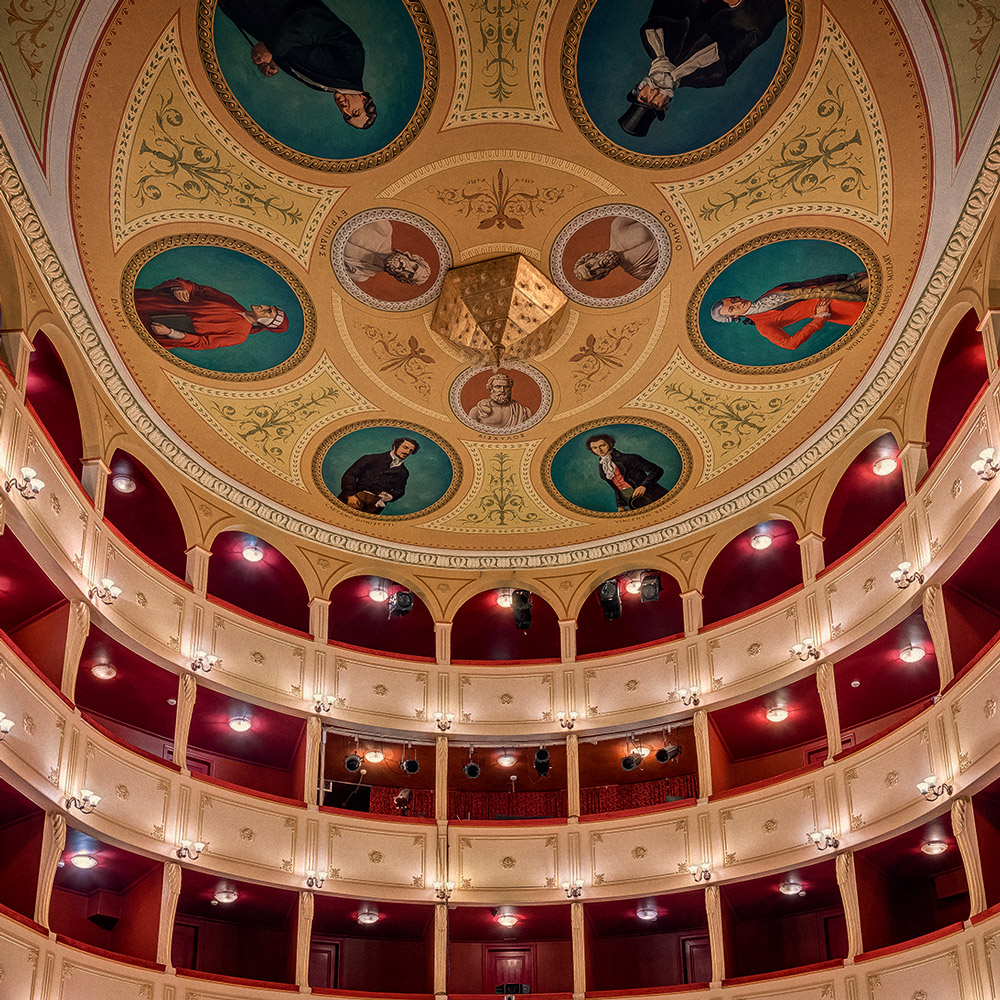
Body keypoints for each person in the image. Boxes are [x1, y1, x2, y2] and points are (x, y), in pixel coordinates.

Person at [618, 0, 787, 138]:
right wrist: (736, 4)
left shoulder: (650, 34)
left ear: (639, 88)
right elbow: (753, 35)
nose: (654, 93)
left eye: (644, 97)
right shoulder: (713, 74)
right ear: (665, 106)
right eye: (655, 103)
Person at [218, 0, 377, 130]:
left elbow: (293, 52)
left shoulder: (324, 87)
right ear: (364, 98)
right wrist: (270, 46)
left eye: (347, 117)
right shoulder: (353, 58)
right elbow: (311, 21)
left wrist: (273, 61)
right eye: (355, 112)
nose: (345, 110)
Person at [709, 271, 868, 351]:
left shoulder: (770, 292)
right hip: (839, 306)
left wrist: (847, 276)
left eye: (734, 300)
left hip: (843, 286)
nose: (737, 303)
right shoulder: (763, 325)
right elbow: (790, 344)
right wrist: (820, 317)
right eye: (732, 308)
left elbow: (811, 282)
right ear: (735, 316)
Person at [133, 277, 288, 350]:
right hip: (152, 302)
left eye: (268, 311)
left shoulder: (239, 335)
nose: (263, 306)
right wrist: (179, 289)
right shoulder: (231, 301)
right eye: (269, 306)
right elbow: (196, 288)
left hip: (158, 327)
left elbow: (203, 342)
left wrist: (170, 332)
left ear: (265, 322)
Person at [586, 433, 668, 511]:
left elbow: (657, 470)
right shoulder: (601, 466)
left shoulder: (629, 458)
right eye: (594, 448)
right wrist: (620, 505)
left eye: (602, 445)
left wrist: (644, 486)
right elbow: (616, 487)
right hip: (631, 500)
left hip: (652, 495)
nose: (599, 450)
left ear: (610, 444)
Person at [338, 438, 419, 513]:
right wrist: (350, 495)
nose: (407, 452)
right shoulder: (370, 458)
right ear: (395, 446)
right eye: (405, 447)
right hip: (352, 499)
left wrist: (390, 496)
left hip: (374, 507)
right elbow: (350, 475)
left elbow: (400, 491)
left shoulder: (404, 472)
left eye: (411, 451)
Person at [342, 220, 432, 286]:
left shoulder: (360, 275)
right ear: (412, 258)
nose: (405, 268)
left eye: (410, 275)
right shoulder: (384, 229)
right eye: (414, 267)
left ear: (402, 278)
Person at [573, 216, 660, 284]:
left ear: (590, 256)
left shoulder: (618, 226)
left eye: (589, 265)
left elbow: (650, 209)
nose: (597, 266)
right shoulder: (640, 272)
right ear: (602, 275)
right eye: (594, 273)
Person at [466, 372, 534, 428]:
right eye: (498, 387)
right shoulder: (477, 411)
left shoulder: (524, 412)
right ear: (490, 389)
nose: (502, 390)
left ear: (510, 389)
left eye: (506, 387)